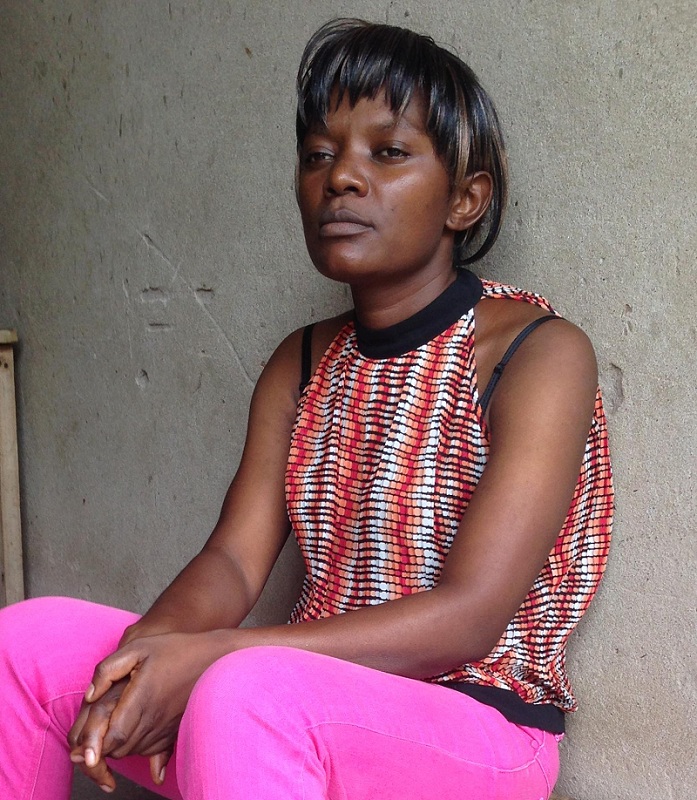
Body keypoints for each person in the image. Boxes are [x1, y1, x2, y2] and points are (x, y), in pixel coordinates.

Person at [0, 18, 613, 800]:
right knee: (25, 644)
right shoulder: (301, 362)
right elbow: (232, 560)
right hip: (288, 704)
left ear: (464, 199)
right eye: (319, 155)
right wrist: (148, 658)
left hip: (477, 727)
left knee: (242, 690)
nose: (342, 178)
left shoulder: (535, 352)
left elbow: (468, 616)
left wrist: (211, 659)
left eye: (387, 153)